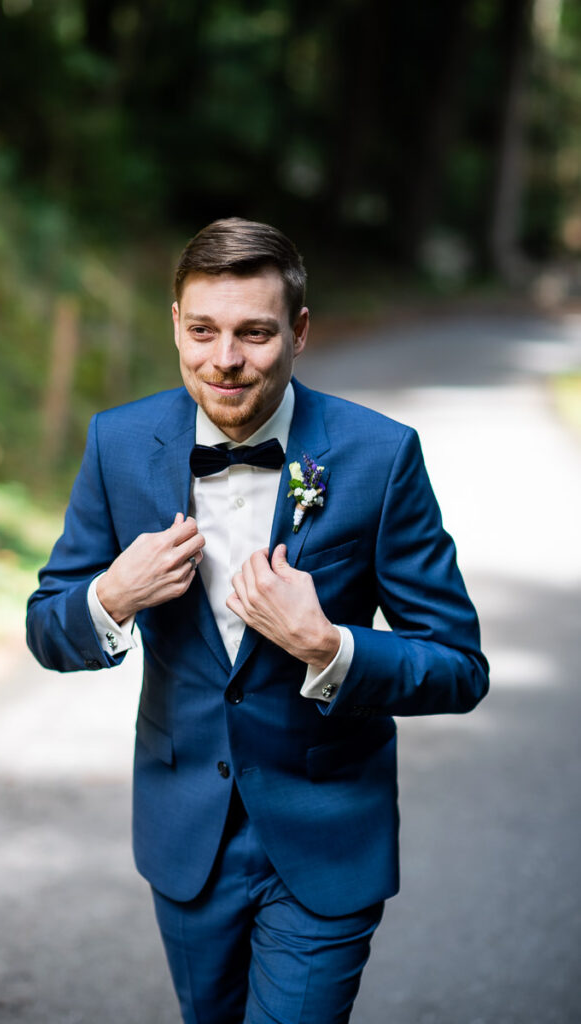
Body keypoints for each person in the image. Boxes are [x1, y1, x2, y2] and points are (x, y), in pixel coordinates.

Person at [27, 217, 489, 1024]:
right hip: (185, 841)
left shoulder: (380, 456)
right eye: (202, 331)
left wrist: (330, 647)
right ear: (174, 323)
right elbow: (46, 629)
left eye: (254, 333)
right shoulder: (119, 444)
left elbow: (458, 666)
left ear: (299, 332)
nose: (224, 360)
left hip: (325, 841)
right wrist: (111, 596)